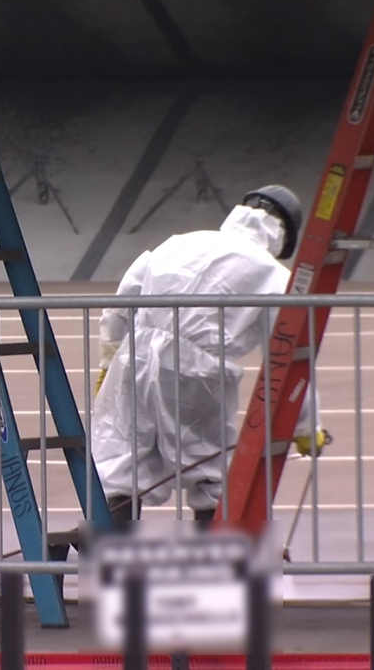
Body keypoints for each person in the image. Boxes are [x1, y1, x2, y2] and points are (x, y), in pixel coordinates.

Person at [91, 185, 328, 532]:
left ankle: (107, 564)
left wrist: (109, 362)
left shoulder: (178, 242)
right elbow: (289, 354)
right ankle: (213, 567)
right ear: (284, 235)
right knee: (213, 475)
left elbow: (120, 304)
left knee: (123, 467)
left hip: (134, 359)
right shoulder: (272, 275)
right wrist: (308, 426)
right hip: (195, 372)